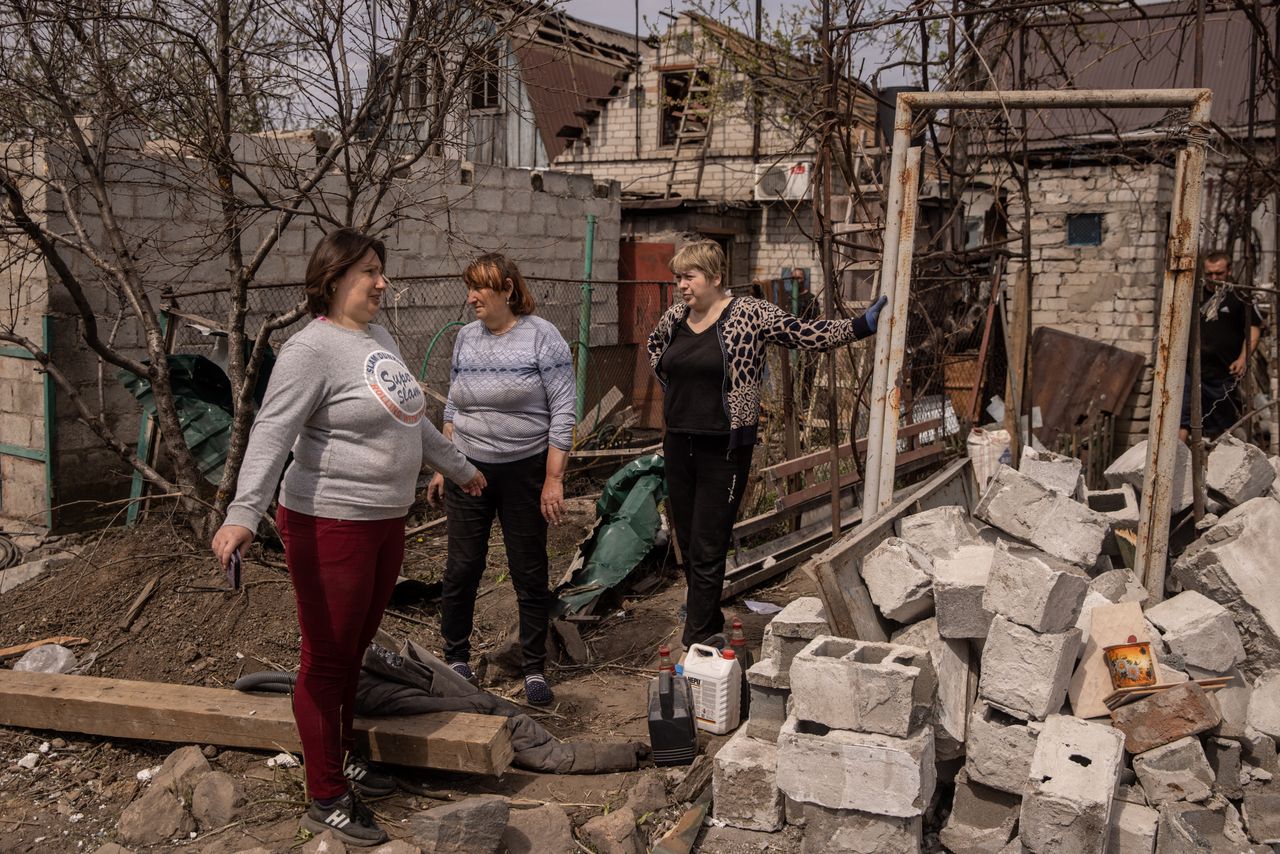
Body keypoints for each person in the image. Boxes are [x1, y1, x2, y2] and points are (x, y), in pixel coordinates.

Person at [211, 228, 485, 847]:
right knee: (326, 658)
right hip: (327, 521)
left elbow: (410, 424)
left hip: (386, 521)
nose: (382, 282)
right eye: (370, 272)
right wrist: (243, 512)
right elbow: (271, 433)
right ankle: (326, 794)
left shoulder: (379, 338)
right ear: (333, 279)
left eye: (382, 270)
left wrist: (461, 468)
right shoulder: (309, 350)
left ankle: (337, 754)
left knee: (354, 648)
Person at [647, 240, 887, 649]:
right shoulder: (674, 318)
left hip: (725, 448)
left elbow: (803, 334)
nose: (681, 286)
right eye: (678, 278)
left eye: (689, 277)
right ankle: (708, 616)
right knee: (688, 541)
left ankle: (698, 637)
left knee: (709, 542)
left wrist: (859, 326)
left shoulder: (750, 314)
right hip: (679, 444)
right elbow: (656, 352)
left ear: (716, 277)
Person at [427, 253, 575, 707]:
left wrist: (553, 479)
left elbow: (564, 411)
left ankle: (533, 667)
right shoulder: (465, 339)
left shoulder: (541, 337)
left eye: (480, 288)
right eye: (469, 287)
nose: (471, 297)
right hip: (468, 470)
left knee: (528, 570)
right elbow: (453, 405)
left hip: (524, 470)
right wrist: (444, 463)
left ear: (508, 290)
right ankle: (456, 658)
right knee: (462, 566)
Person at [1180, 250, 1263, 443]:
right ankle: (1175, 467)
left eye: (1219, 273)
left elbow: (1253, 329)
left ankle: (1214, 467)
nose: (1214, 278)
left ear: (1229, 271)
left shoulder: (1240, 297)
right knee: (1183, 419)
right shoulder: (1195, 295)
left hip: (1223, 373)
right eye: (1209, 274)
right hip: (1193, 370)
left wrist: (1243, 358)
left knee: (1219, 425)